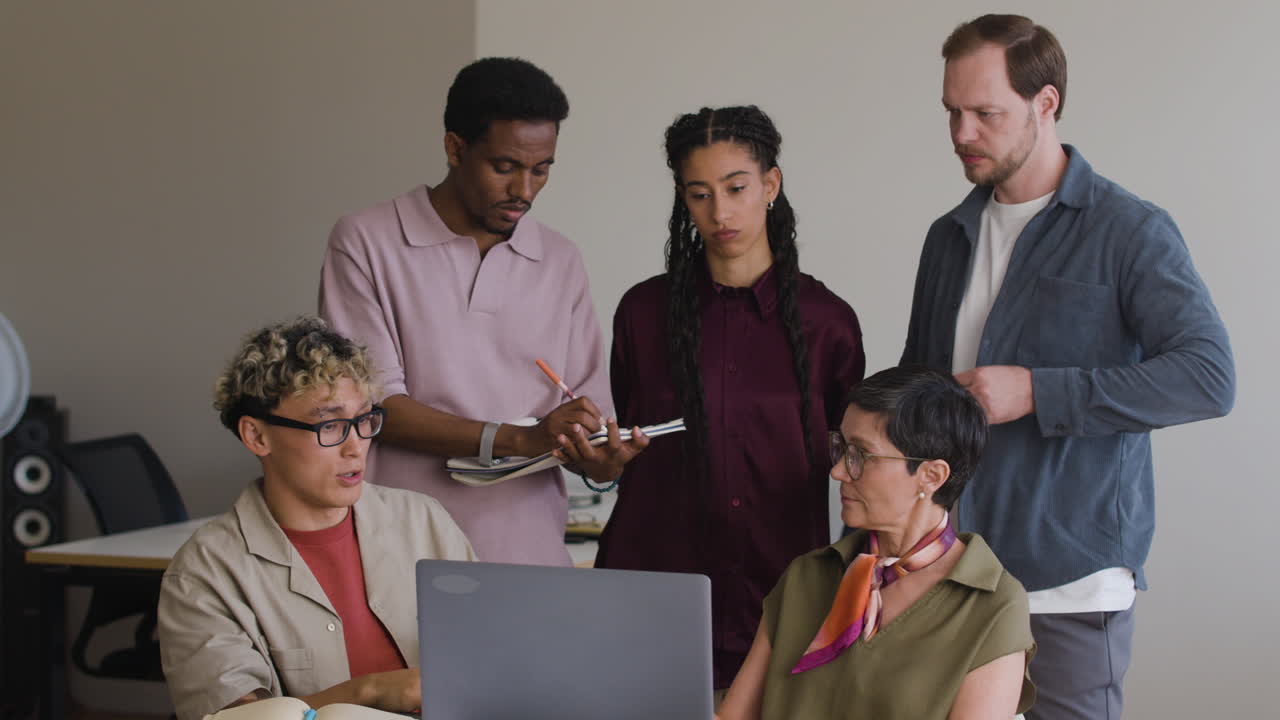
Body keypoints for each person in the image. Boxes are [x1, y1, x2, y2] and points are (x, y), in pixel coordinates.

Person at [901, 14, 1235, 719]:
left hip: (1069, 586)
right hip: (948, 576)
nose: (961, 134)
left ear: (1045, 103)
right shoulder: (948, 237)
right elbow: (919, 388)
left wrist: (1037, 392)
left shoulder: (1130, 230)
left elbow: (1207, 376)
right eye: (951, 112)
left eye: (985, 113)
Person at [581, 105, 865, 692]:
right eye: (699, 194)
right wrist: (604, 464)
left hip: (782, 598)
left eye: (736, 188)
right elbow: (625, 444)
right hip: (652, 592)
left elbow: (853, 461)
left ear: (771, 185)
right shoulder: (642, 313)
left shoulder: (828, 323)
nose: (720, 212)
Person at [319, 57, 645, 566]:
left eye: (541, 170)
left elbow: (586, 421)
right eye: (505, 167)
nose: (524, 191)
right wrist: (520, 438)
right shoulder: (367, 241)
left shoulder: (560, 260)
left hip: (532, 561)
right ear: (455, 148)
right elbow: (372, 408)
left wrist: (604, 460)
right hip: (401, 560)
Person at [158, 317, 476, 720]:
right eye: (329, 425)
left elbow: (485, 659)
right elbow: (237, 717)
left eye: (364, 420)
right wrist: (373, 690)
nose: (355, 447)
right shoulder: (205, 572)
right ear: (257, 436)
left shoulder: (423, 520)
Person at [718, 365, 1035, 720]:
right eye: (841, 448)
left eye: (861, 456)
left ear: (931, 476)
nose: (838, 471)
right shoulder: (807, 577)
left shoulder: (991, 605)